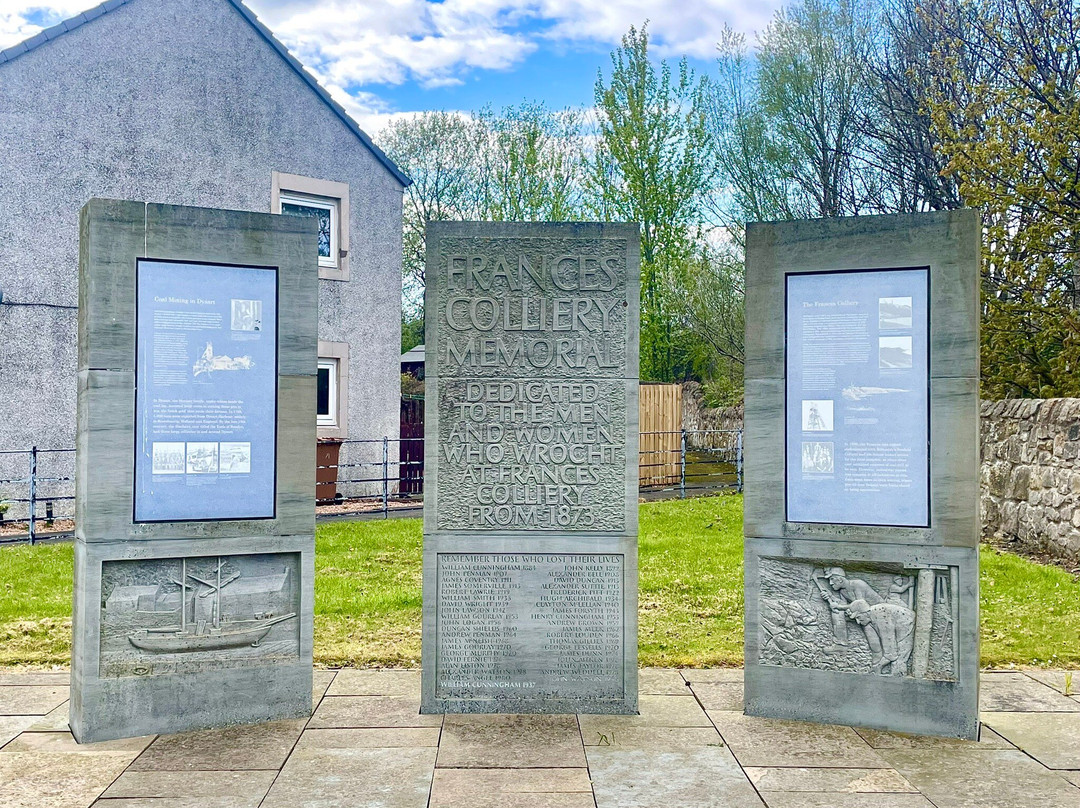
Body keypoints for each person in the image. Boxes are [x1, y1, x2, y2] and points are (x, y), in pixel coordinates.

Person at [814, 567, 884, 655]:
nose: (830, 583)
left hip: (875, 614)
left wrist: (840, 607)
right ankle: (841, 646)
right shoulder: (843, 591)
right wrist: (830, 596)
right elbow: (842, 604)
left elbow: (861, 605)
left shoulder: (857, 584)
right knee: (837, 613)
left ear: (840, 579)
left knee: (876, 647)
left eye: (832, 579)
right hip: (862, 616)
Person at [845, 599, 916, 676]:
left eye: (858, 617)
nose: (858, 622)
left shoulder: (882, 618)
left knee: (899, 661)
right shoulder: (872, 615)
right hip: (901, 625)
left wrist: (878, 666)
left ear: (866, 612)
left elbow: (891, 653)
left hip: (907, 625)